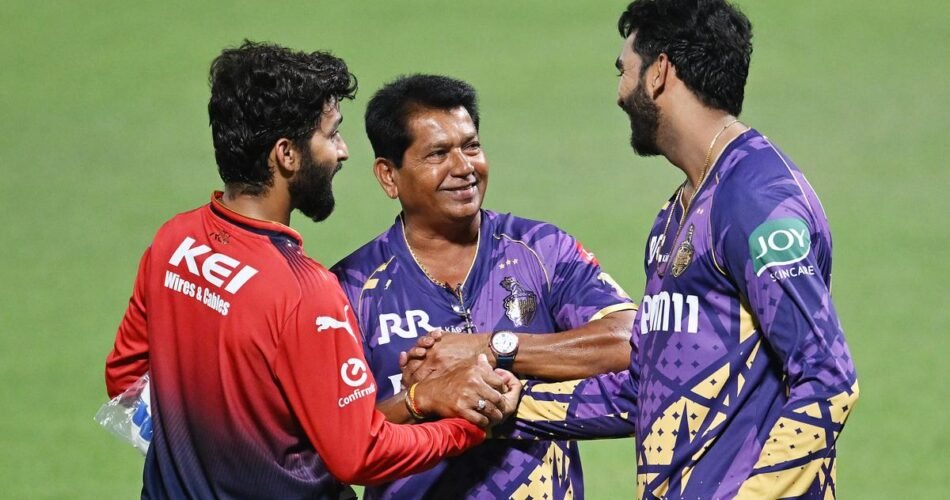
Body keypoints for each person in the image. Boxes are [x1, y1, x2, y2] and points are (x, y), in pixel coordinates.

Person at [104, 41, 519, 499]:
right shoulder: (305, 292)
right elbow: (360, 453)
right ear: (287, 154)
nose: (342, 152)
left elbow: (124, 377)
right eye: (331, 134)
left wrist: (198, 455)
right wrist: (468, 426)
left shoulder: (175, 241)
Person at [515, 1, 860, 498]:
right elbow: (644, 392)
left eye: (623, 70)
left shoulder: (755, 200)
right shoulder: (677, 214)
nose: (619, 93)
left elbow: (829, 379)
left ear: (659, 72)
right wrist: (501, 408)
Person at [330, 74, 638, 499]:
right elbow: (336, 441)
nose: (464, 168)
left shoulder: (541, 250)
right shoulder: (351, 288)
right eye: (438, 153)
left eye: (471, 146)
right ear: (389, 176)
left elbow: (630, 340)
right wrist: (423, 398)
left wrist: (493, 349)